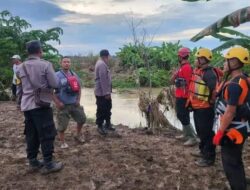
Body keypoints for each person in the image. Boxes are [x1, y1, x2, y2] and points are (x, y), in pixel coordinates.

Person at [16, 40, 63, 174]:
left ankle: (33, 161)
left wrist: (19, 104)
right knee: (47, 133)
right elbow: (55, 83)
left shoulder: (20, 67)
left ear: (28, 52)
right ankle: (48, 163)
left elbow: (19, 88)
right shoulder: (46, 65)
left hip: (27, 106)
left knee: (31, 134)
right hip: (41, 105)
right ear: (40, 51)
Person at [213, 46, 250, 190]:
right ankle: (240, 182)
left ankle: (238, 186)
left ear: (234, 62)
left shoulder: (234, 85)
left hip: (233, 130)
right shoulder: (244, 79)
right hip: (242, 127)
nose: (224, 64)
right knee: (236, 160)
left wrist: (220, 132)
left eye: (226, 61)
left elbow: (230, 111)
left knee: (230, 162)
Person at [188, 48, 218, 167]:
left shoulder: (209, 73)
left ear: (203, 60)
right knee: (200, 131)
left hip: (205, 108)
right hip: (197, 107)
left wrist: (211, 102)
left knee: (206, 133)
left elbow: (214, 91)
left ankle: (209, 158)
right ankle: (202, 151)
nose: (195, 60)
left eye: (197, 58)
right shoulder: (200, 71)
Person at [53, 56, 86, 149]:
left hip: (74, 103)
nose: (66, 63)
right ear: (61, 63)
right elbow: (51, 91)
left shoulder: (74, 74)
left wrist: (78, 100)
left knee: (82, 119)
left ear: (70, 63)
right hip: (63, 105)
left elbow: (79, 88)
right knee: (62, 125)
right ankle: (63, 142)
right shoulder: (56, 75)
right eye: (64, 62)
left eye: (68, 62)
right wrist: (57, 103)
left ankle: (78, 135)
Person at [171, 47, 197, 146]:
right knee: (182, 115)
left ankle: (192, 137)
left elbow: (188, 83)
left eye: (178, 55)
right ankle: (186, 134)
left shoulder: (186, 68)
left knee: (182, 115)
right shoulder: (182, 67)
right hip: (180, 94)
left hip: (184, 95)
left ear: (180, 56)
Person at [94, 49, 114, 135]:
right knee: (102, 109)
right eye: (109, 56)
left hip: (104, 91)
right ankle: (100, 126)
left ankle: (108, 124)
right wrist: (107, 93)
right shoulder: (102, 64)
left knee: (108, 107)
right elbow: (103, 79)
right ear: (106, 56)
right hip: (102, 93)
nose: (109, 58)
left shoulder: (101, 63)